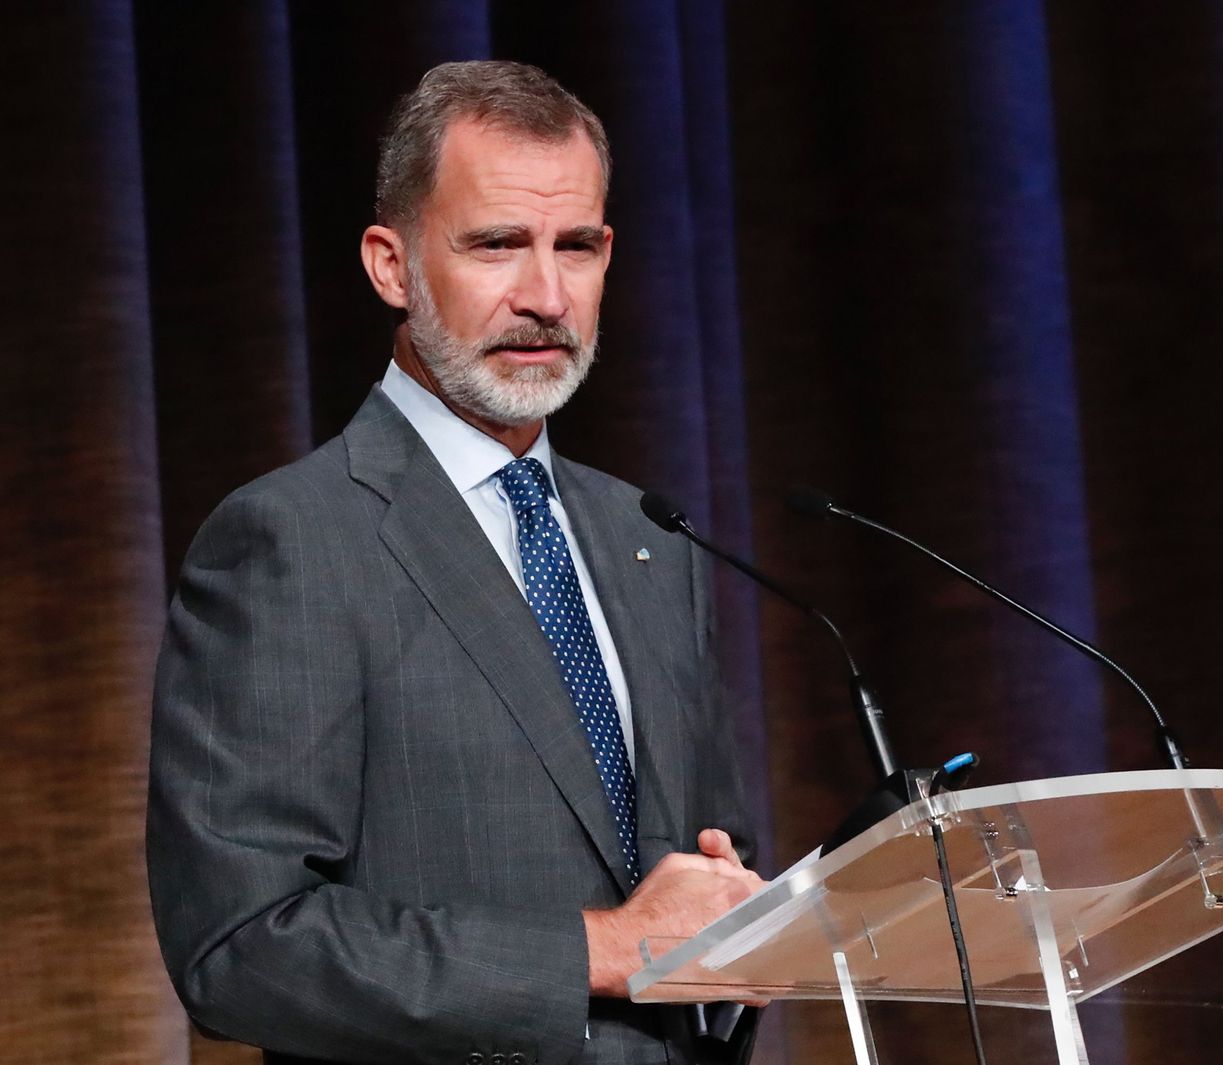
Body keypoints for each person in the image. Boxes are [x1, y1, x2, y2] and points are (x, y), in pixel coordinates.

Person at [147, 60, 762, 1065]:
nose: (546, 295)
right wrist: (594, 951)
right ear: (392, 266)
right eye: (496, 246)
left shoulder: (647, 535)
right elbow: (237, 945)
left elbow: (698, 886)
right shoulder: (291, 541)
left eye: (577, 246)